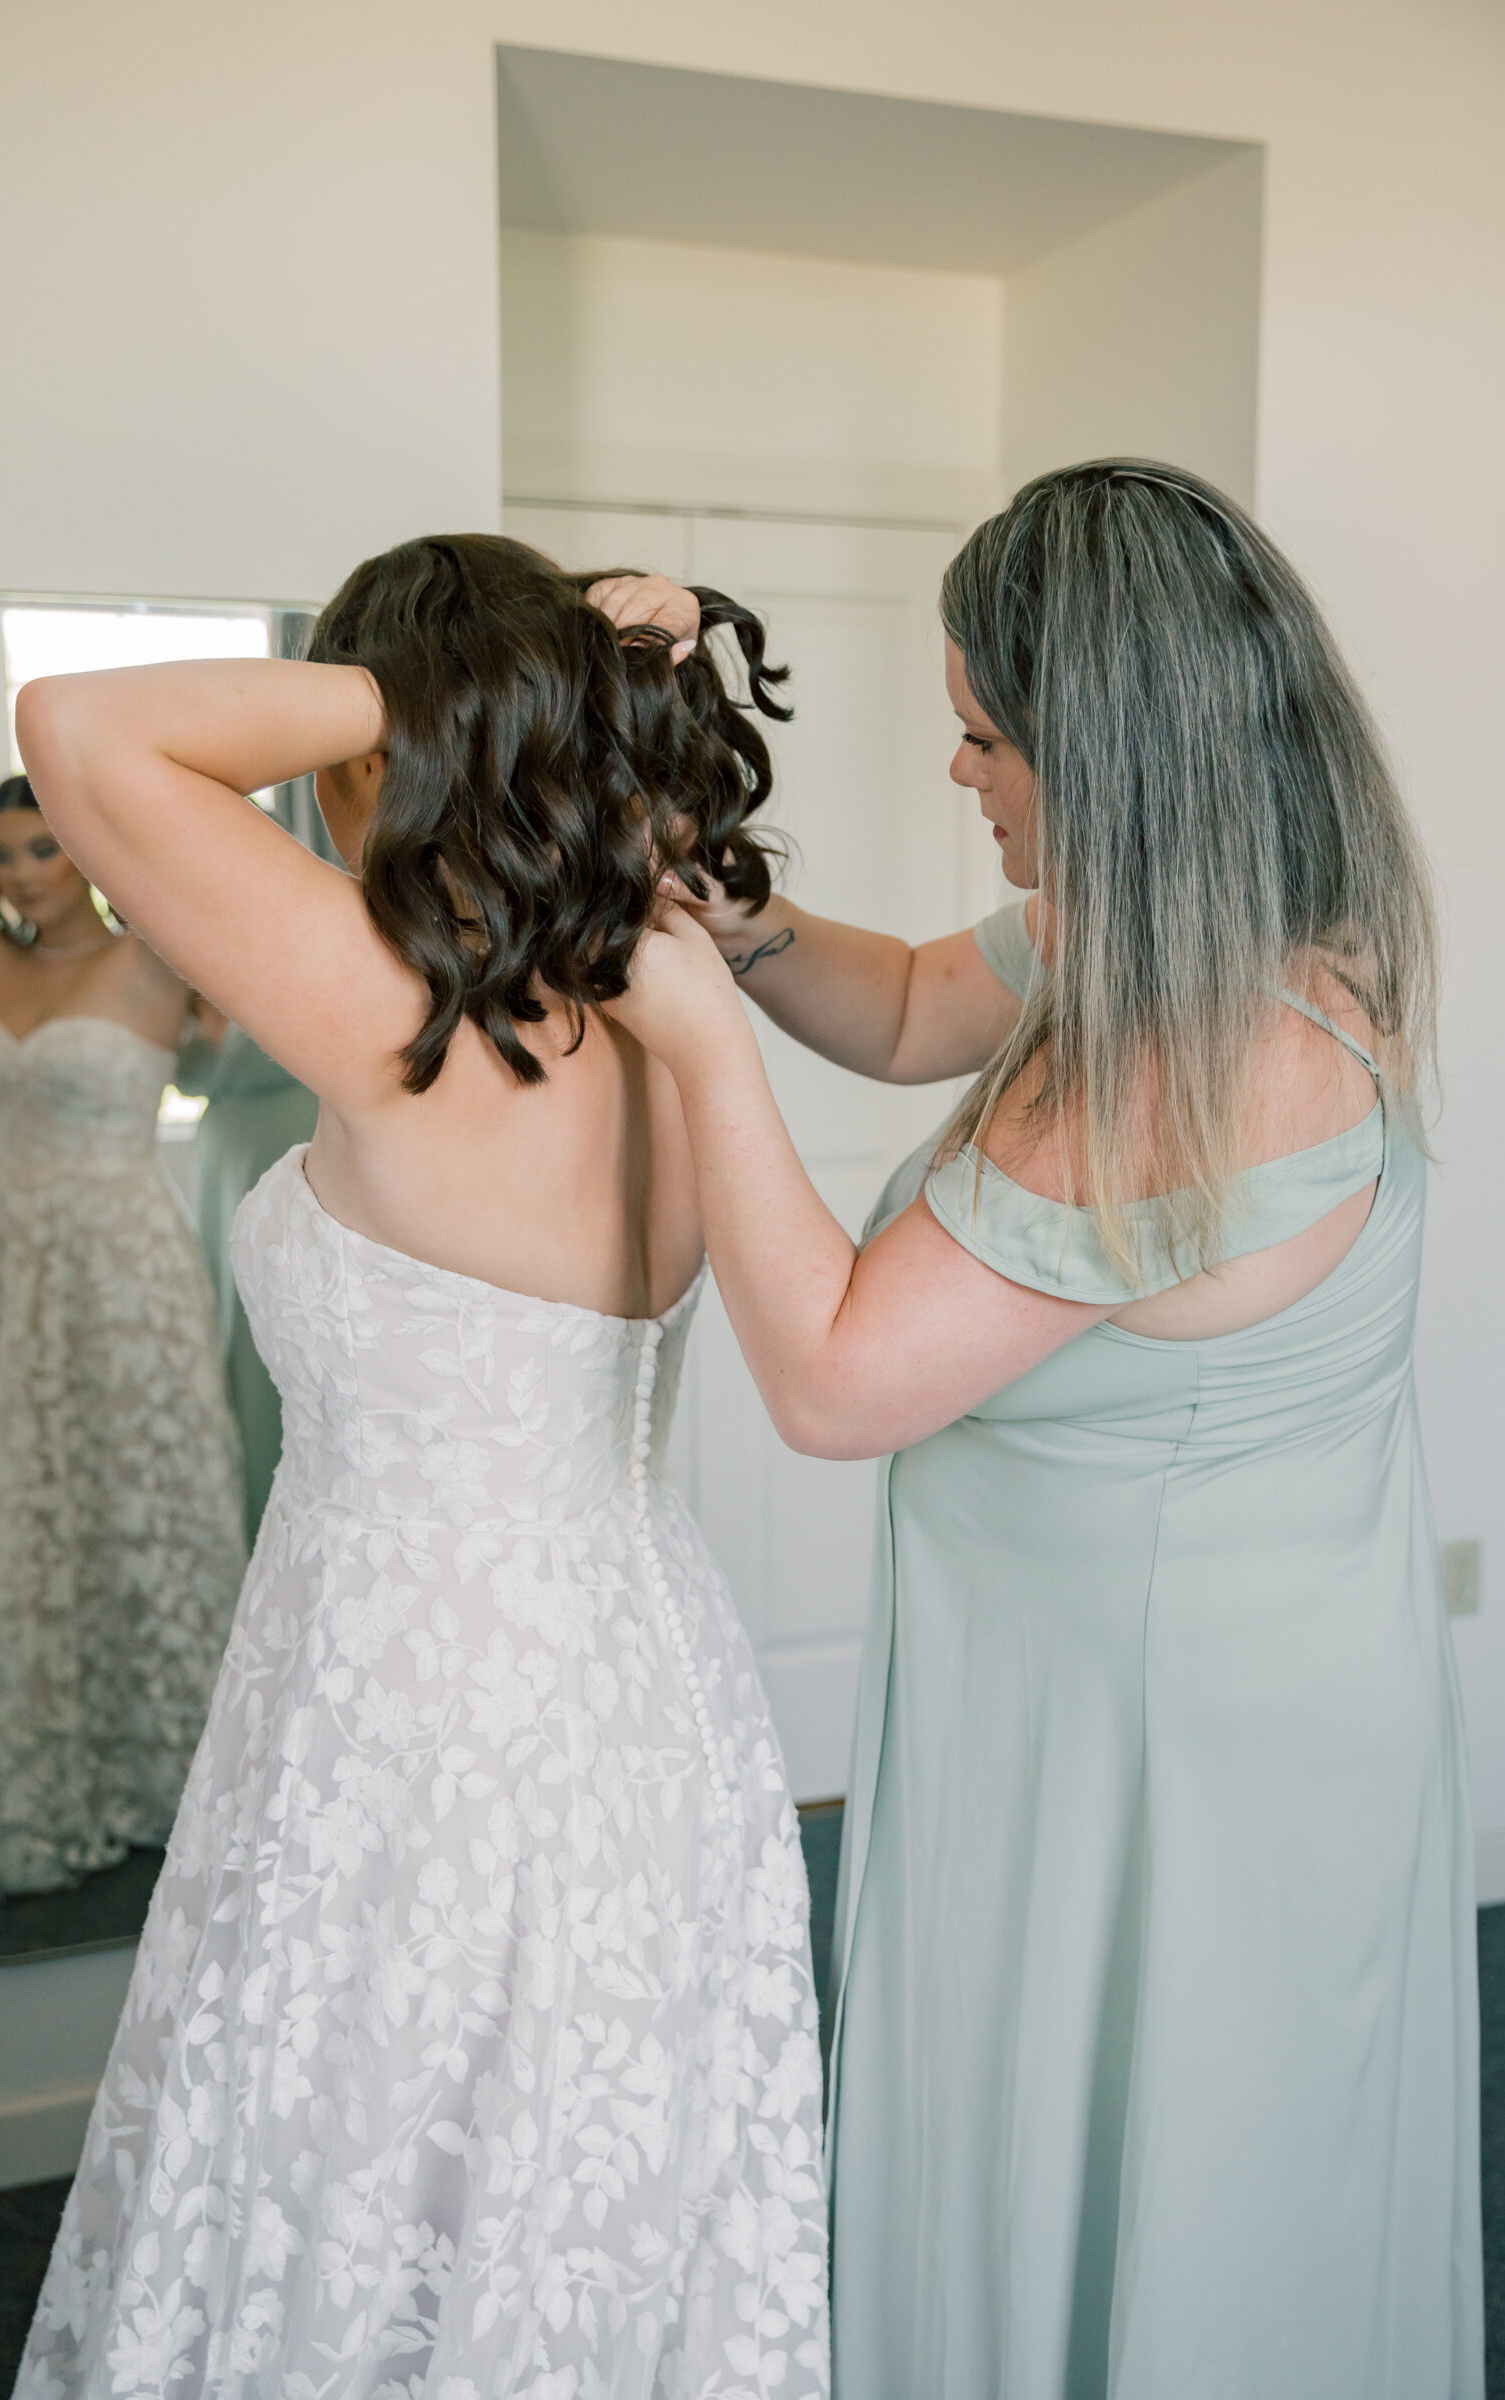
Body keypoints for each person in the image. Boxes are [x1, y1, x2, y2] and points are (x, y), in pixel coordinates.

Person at [599, 463, 1480, 2399]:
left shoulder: (1215, 1058)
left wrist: (686, 1032)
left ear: (1102, 746)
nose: (955, 772)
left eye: (979, 735)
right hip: (1117, 1692)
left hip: (1179, 1759)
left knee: (1178, 2199)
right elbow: (919, 1003)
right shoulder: (1181, 913)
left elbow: (832, 1375)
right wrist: (732, 917)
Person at [10, 535, 830, 2399]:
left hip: (428, 1706)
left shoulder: (411, 1006)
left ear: (389, 729)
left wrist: (473, 675)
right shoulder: (640, 993)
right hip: (641, 1682)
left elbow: (79, 729)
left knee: (384, 2165)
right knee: (553, 2188)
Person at [0, 778, 247, 1901]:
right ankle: (35, 1763)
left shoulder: (158, 954)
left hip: (120, 1261)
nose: (17, 871)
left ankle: (165, 1773)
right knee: (1, 1505)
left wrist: (87, 824)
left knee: (129, 1499)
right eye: (2, 855)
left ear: (89, 853)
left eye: (44, 848)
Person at [173, 1009, 318, 1541]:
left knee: (287, 1343)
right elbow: (183, 1070)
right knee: (231, 1342)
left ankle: (289, 1523)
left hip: (298, 1140)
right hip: (223, 1157)